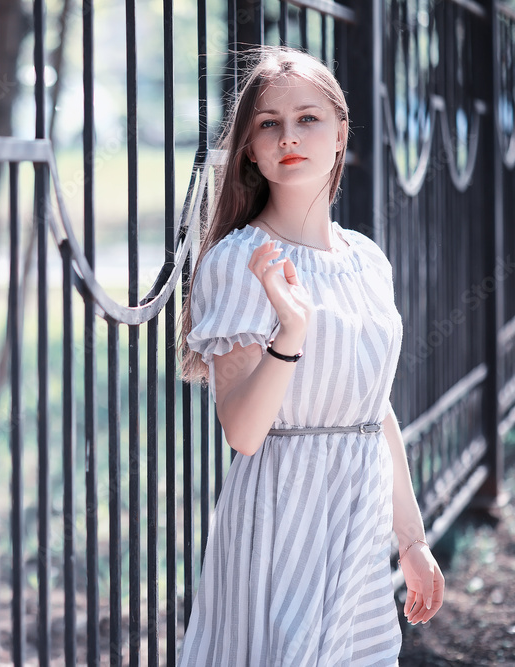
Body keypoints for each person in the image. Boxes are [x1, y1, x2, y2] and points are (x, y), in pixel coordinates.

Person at [176, 47, 445, 666]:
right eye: (268, 123)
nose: (288, 136)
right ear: (248, 146)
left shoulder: (367, 260)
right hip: (279, 515)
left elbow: (375, 413)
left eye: (308, 119)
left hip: (358, 517)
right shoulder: (239, 261)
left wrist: (411, 539)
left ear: (341, 132)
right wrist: (289, 334)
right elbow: (242, 433)